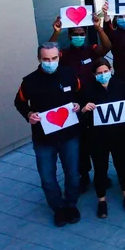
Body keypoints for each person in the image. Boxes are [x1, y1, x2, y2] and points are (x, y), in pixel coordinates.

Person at [14, 42, 82, 227]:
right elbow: (19, 102)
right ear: (39, 59)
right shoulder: (29, 81)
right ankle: (58, 208)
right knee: (47, 177)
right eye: (46, 59)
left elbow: (80, 93)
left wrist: (78, 105)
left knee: (73, 173)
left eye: (54, 58)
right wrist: (28, 114)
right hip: (43, 139)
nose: (50, 62)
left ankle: (71, 204)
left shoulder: (69, 74)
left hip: (69, 135)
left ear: (59, 56)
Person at [49, 12, 112, 193]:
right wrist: (56, 32)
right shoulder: (64, 53)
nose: (78, 37)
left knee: (98, 140)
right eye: (75, 34)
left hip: (94, 100)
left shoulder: (91, 49)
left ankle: (101, 175)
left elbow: (107, 46)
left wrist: (98, 28)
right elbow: (49, 50)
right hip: (74, 103)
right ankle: (84, 175)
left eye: (81, 34)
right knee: (80, 142)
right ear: (69, 36)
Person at [80, 59, 125, 218]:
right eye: (99, 73)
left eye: (105, 71)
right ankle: (101, 200)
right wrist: (84, 109)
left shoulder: (121, 85)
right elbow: (80, 114)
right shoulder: (87, 89)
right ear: (94, 74)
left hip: (118, 134)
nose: (103, 75)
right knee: (100, 168)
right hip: (97, 137)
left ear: (110, 70)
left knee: (122, 166)